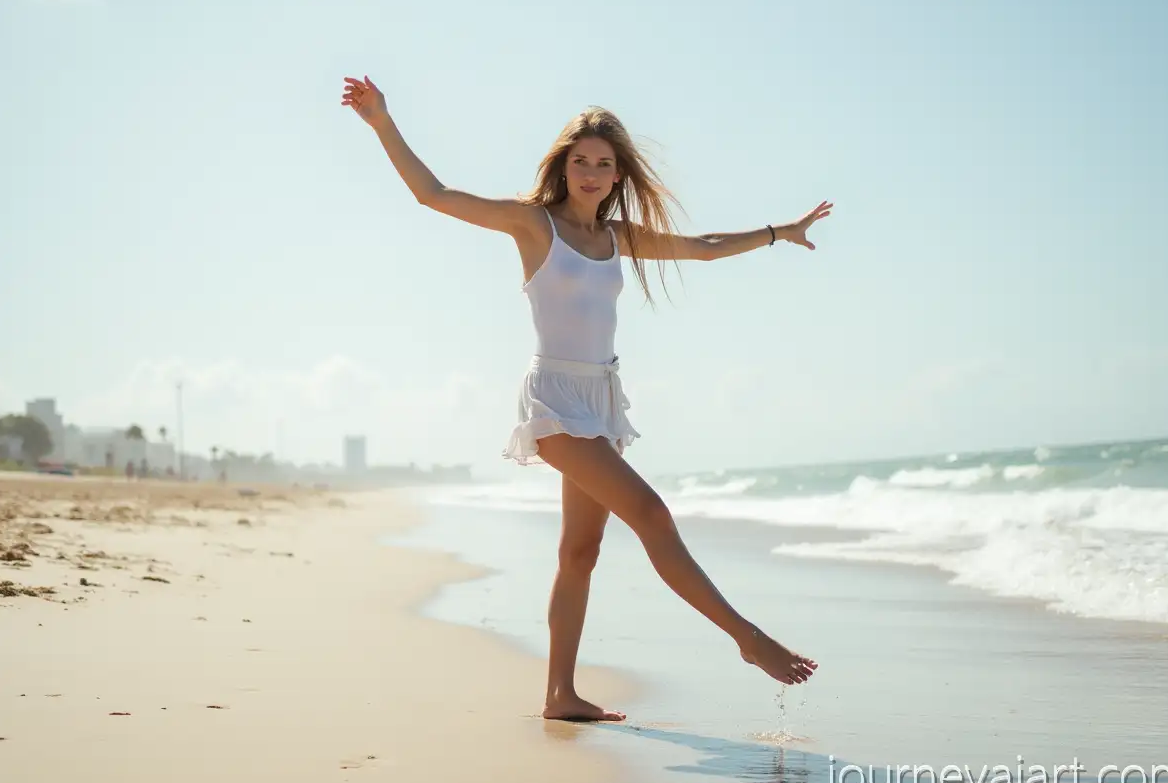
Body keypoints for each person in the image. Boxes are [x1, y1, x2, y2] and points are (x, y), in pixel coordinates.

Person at [342, 76, 831, 721]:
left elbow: (702, 248)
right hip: (553, 402)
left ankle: (559, 695)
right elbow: (434, 195)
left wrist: (779, 231)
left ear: (618, 173)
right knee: (652, 515)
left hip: (599, 401)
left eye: (605, 163)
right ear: (563, 165)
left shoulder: (618, 237)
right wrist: (382, 122)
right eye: (582, 161)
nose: (593, 172)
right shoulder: (532, 224)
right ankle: (748, 639)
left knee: (580, 553)